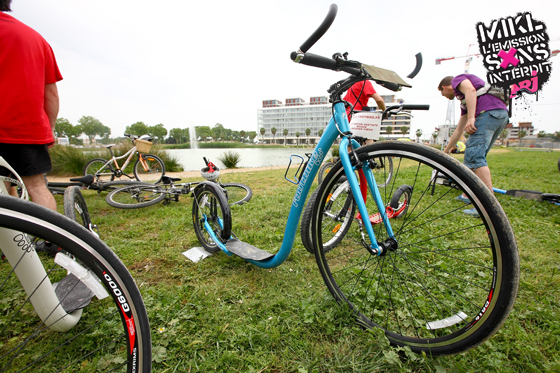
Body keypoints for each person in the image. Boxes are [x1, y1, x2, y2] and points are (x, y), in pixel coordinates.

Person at [0, 0, 62, 212]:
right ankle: (53, 241)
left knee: (4, 185)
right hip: (27, 128)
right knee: (36, 186)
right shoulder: (36, 38)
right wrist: (50, 129)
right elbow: (51, 94)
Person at [438, 74, 508, 216]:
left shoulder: (457, 80)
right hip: (499, 114)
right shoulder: (465, 101)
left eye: (442, 93)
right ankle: (468, 195)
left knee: (476, 158)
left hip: (487, 113)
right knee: (474, 157)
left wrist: (472, 118)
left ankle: (489, 207)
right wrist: (445, 152)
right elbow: (458, 130)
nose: (444, 96)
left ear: (444, 87)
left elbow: (470, 90)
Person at [344, 80, 386, 145]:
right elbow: (379, 100)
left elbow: (344, 102)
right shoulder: (364, 82)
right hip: (360, 117)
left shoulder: (352, 85)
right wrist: (385, 111)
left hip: (349, 117)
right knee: (368, 145)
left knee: (350, 146)